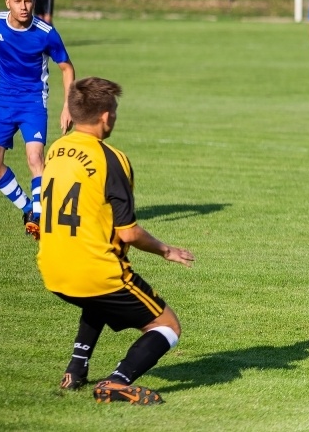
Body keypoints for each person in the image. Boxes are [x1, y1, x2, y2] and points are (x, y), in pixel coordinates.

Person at [36, 77, 195, 405]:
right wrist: (167, 250)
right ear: (106, 116)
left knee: (97, 300)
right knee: (167, 326)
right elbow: (129, 233)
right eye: (115, 111)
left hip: (52, 269)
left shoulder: (56, 149)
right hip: (96, 272)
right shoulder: (111, 159)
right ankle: (117, 382)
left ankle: (75, 371)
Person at [0, 0, 75, 239]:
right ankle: (29, 208)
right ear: (8, 3)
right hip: (3, 100)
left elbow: (66, 67)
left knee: (35, 159)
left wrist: (68, 106)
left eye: (29, 1)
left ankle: (41, 220)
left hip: (33, 102)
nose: (24, 7)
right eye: (19, 2)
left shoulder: (45, 32)